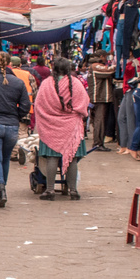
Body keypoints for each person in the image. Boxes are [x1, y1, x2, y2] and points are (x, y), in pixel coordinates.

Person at [33, 57, 89, 201]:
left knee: (52, 157)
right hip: (72, 128)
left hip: (50, 127)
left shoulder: (46, 84)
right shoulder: (76, 84)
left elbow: (38, 105)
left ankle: (50, 190)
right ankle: (73, 190)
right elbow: (83, 104)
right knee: (72, 158)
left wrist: (47, 119)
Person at [0, 51, 31, 208]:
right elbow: (25, 106)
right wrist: (16, 116)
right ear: (9, 64)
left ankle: (0, 189)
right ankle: (2, 188)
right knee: (5, 158)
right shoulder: (18, 83)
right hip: (11, 125)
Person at [86, 50, 117, 150]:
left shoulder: (93, 66)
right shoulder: (96, 66)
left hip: (99, 97)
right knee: (100, 121)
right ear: (101, 56)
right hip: (99, 97)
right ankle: (97, 144)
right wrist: (116, 64)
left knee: (100, 120)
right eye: (105, 57)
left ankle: (99, 143)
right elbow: (109, 70)